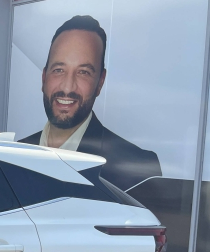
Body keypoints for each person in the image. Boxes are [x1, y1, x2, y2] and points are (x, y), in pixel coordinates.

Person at [18, 15, 161, 191]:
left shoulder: (139, 168)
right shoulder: (12, 153)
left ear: (100, 83)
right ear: (44, 78)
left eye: (83, 72)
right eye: (59, 70)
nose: (68, 87)